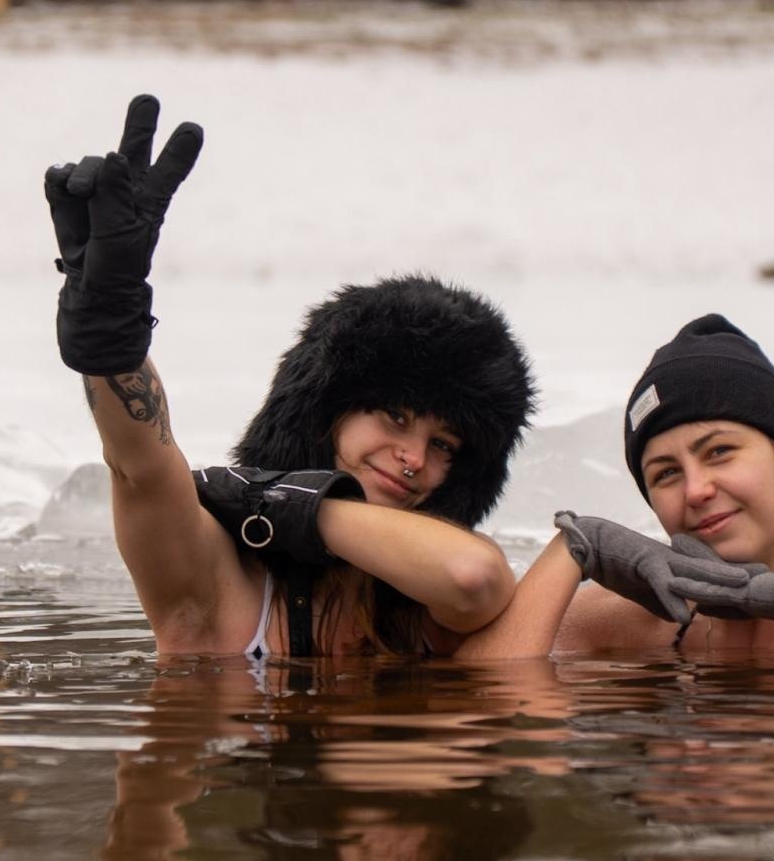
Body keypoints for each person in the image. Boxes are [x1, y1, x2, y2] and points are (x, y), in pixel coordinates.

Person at [43, 95, 536, 658]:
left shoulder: (433, 613)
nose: (414, 458)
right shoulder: (218, 588)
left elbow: (470, 575)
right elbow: (139, 468)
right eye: (396, 416)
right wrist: (111, 334)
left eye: (443, 443)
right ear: (324, 409)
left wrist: (280, 504)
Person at [457, 314, 774, 670]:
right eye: (666, 474)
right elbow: (487, 699)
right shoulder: (634, 620)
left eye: (718, 452)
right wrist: (577, 546)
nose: (696, 490)